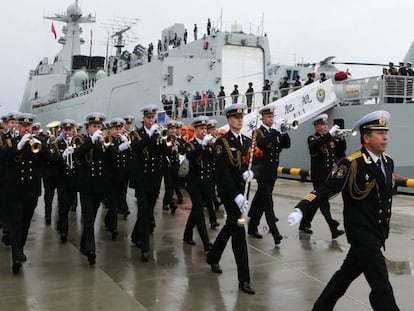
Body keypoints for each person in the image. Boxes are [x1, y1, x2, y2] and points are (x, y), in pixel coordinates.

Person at [288, 110, 400, 311]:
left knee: (344, 277)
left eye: (386, 131)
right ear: (366, 138)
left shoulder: (387, 161)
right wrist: (302, 208)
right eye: (379, 132)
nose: (385, 136)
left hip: (378, 232)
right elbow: (326, 189)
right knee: (381, 286)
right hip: (361, 233)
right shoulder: (352, 163)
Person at [206, 103, 256, 295]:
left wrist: (248, 173)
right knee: (239, 232)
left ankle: (212, 257)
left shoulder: (245, 140)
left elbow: (246, 164)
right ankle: (244, 279)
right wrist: (235, 196)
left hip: (242, 192)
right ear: (228, 120)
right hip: (229, 194)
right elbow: (222, 174)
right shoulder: (222, 143)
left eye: (241, 117)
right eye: (235, 117)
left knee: (230, 226)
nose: (239, 120)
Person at [2, 113, 51, 273]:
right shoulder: (11, 142)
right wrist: (18, 147)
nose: (26, 128)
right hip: (14, 191)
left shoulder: (37, 142)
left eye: (29, 126)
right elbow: (3, 158)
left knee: (26, 223)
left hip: (31, 191)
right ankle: (16, 257)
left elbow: (49, 157)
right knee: (17, 223)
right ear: (18, 127)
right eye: (23, 126)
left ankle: (20, 248)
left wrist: (41, 146)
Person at [247, 104, 290, 245]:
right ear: (263, 118)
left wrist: (284, 132)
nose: (271, 119)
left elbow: (287, 145)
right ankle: (276, 233)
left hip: (272, 172)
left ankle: (252, 226)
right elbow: (262, 144)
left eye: (273, 116)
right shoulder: (258, 132)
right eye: (269, 117)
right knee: (268, 203)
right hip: (262, 172)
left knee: (260, 199)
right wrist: (275, 131)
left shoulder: (275, 132)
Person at [298, 114, 345, 239]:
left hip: (328, 176)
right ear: (316, 126)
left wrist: (341, 139)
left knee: (316, 201)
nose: (325, 127)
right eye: (322, 125)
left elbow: (340, 152)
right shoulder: (312, 138)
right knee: (324, 203)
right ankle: (333, 228)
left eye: (326, 125)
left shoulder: (329, 139)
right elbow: (315, 146)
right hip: (319, 177)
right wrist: (329, 134)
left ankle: (304, 224)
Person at [129, 105, 165, 262]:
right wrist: (149, 136)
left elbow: (164, 153)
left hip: (154, 179)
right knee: (143, 213)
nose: (151, 120)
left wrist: (164, 140)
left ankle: (135, 235)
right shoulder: (136, 134)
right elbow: (135, 148)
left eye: (153, 117)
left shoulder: (158, 134)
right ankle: (145, 248)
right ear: (143, 118)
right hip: (141, 180)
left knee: (148, 211)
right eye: (148, 117)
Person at [74, 113, 110, 265]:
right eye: (94, 127)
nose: (97, 129)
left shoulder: (103, 142)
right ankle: (91, 251)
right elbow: (78, 155)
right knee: (88, 218)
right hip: (86, 186)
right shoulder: (81, 141)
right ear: (88, 128)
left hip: (99, 187)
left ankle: (84, 244)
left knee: (92, 217)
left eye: (99, 127)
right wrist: (91, 140)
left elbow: (112, 157)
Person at [183, 116, 214, 252]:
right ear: (195, 130)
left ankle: (187, 233)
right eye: (201, 128)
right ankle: (206, 242)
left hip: (206, 182)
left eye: (205, 128)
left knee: (197, 209)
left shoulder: (209, 144)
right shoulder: (190, 144)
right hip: (194, 183)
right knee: (199, 211)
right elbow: (189, 156)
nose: (204, 131)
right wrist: (202, 146)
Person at [52, 119, 78, 243]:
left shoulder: (77, 142)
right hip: (62, 179)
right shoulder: (58, 143)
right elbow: (52, 161)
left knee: (68, 205)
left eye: (70, 130)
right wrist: (62, 156)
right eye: (65, 130)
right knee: (63, 204)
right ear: (62, 130)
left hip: (73, 179)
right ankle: (63, 231)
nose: (68, 132)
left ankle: (61, 223)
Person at [161, 120, 179, 214]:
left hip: (175, 165)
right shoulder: (165, 139)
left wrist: (178, 147)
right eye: (171, 129)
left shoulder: (176, 139)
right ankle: (171, 204)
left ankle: (165, 203)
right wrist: (172, 149)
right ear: (168, 130)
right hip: (167, 165)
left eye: (174, 128)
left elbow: (183, 150)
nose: (173, 130)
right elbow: (164, 152)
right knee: (169, 186)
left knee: (172, 186)